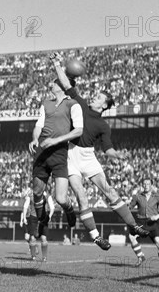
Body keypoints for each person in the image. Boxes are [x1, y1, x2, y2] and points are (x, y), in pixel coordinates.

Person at [50, 52, 151, 251]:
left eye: (97, 98)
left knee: (110, 191)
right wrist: (56, 63)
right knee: (81, 194)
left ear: (103, 105)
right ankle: (96, 237)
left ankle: (133, 226)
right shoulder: (80, 103)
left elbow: (108, 149)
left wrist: (118, 155)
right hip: (71, 154)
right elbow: (65, 83)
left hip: (88, 156)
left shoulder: (103, 126)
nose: (93, 98)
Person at [29, 77, 83, 233]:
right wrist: (34, 139)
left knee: (60, 198)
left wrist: (56, 141)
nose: (50, 84)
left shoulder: (73, 104)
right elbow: (39, 125)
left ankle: (69, 210)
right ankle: (42, 218)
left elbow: (78, 130)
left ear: (62, 86)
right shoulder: (46, 104)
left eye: (53, 82)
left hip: (59, 152)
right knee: (37, 192)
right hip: (42, 151)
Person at [128, 178, 159, 269]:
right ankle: (141, 257)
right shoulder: (137, 196)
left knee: (158, 242)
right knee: (131, 237)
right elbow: (129, 208)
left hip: (153, 223)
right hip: (141, 223)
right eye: (144, 183)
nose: (146, 185)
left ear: (151, 185)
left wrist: (157, 216)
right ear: (142, 185)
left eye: (148, 183)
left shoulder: (157, 196)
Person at [21, 189, 56, 261]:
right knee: (32, 238)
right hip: (33, 218)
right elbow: (25, 206)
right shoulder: (30, 196)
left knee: (43, 238)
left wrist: (49, 216)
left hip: (43, 218)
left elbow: (52, 207)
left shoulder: (47, 196)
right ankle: (33, 256)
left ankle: (44, 257)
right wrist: (24, 217)